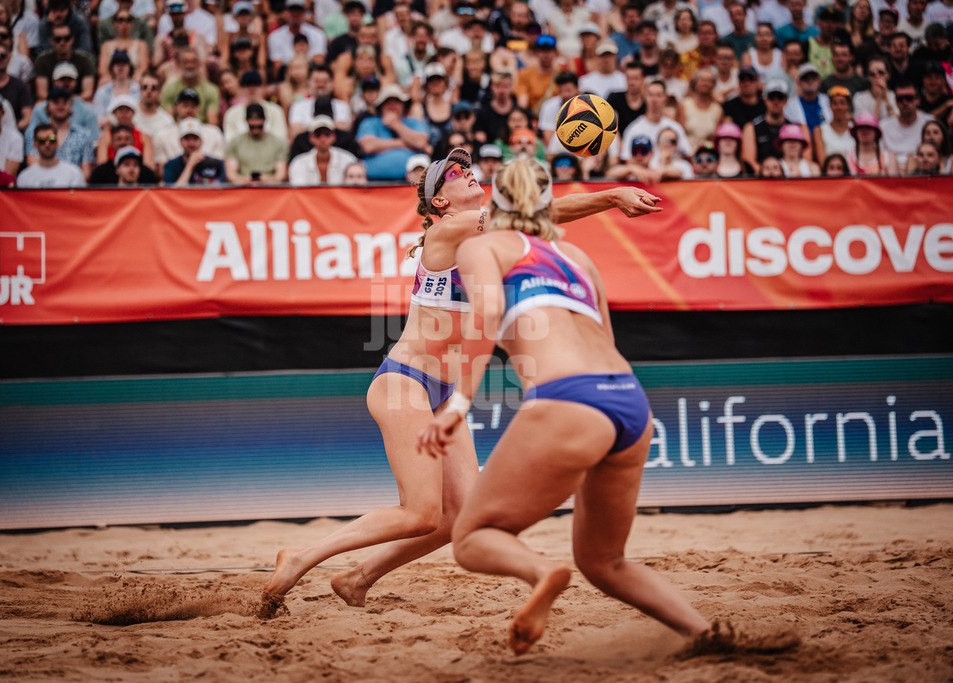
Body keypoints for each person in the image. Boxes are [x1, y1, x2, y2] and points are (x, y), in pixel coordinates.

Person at [260, 148, 667, 616]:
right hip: (404, 382)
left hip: (442, 391)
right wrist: (611, 196)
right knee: (419, 512)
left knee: (458, 519)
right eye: (455, 174)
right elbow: (539, 213)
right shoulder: (449, 229)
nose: (469, 173)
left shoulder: (486, 241)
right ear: (439, 203)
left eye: (468, 168)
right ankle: (301, 557)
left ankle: (357, 578)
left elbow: (533, 221)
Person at [415, 157, 714, 657]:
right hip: (629, 403)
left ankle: (542, 571)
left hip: (571, 401)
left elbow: (485, 318)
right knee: (605, 563)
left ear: (499, 205)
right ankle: (708, 635)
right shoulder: (577, 257)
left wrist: (456, 406)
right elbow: (607, 338)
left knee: (471, 538)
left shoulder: (483, 245)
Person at [357, 83, 430, 181]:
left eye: (396, 101)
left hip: (411, 183)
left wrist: (396, 124)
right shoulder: (370, 122)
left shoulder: (414, 122)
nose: (392, 105)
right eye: (387, 102)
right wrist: (404, 143)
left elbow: (420, 142)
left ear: (404, 105)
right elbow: (368, 146)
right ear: (381, 106)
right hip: (374, 183)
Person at [224, 103, 289, 185]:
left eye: (259, 126)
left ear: (265, 120)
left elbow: (280, 176)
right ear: (246, 121)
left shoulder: (278, 143)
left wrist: (266, 180)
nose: (255, 129)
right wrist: (246, 180)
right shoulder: (235, 142)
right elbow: (231, 175)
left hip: (271, 188)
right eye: (252, 126)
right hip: (243, 187)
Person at [287, 114, 359, 186]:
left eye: (327, 134)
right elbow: (298, 192)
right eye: (318, 134)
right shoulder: (298, 163)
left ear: (334, 136)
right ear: (311, 138)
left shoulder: (348, 160)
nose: (323, 139)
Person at [879, 79, 935, 166]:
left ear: (918, 100)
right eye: (900, 99)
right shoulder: (883, 126)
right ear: (896, 101)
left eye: (909, 98)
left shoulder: (929, 123)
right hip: (891, 173)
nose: (904, 102)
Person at [16, 121, 87, 186]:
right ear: (34, 144)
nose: (47, 144)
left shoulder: (74, 173)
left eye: (52, 139)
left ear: (57, 142)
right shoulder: (24, 177)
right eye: (42, 140)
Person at [163, 116, 227, 185]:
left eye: (195, 138)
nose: (191, 143)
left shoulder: (215, 165)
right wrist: (190, 165)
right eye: (187, 138)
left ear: (201, 140)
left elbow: (220, 190)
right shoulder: (171, 165)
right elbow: (172, 193)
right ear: (180, 141)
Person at [813, 84, 856, 162]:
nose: (838, 107)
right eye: (834, 103)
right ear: (830, 105)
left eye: (842, 103)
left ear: (848, 105)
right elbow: (823, 162)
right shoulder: (819, 130)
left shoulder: (856, 130)